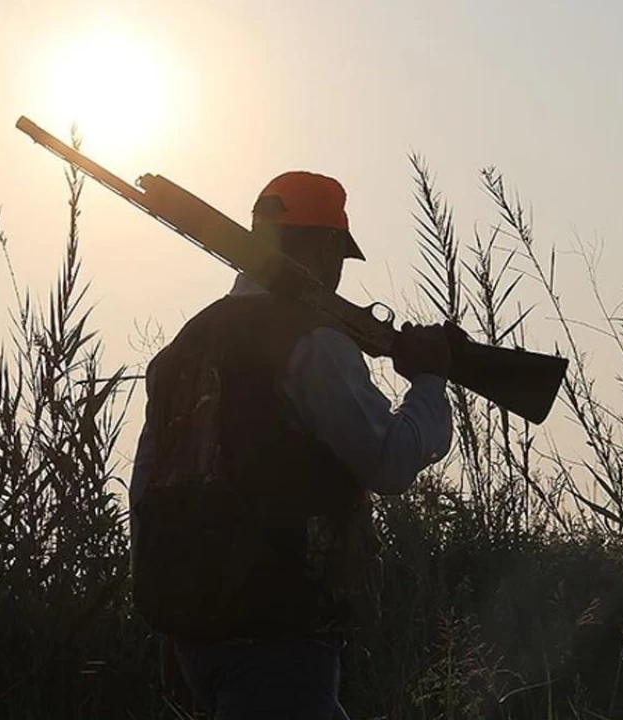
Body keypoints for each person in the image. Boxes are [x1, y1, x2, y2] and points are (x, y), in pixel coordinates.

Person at [128, 170, 454, 719]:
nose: (337, 273)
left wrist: (173, 619)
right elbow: (392, 462)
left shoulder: (182, 348)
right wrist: (429, 379)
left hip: (196, 639)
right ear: (324, 248)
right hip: (279, 635)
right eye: (337, 254)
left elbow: (148, 491)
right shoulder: (311, 341)